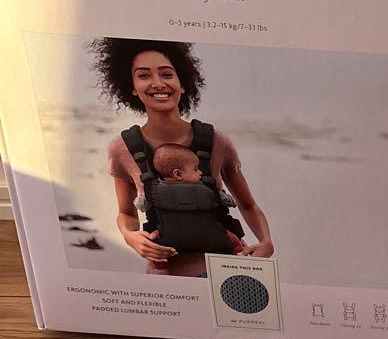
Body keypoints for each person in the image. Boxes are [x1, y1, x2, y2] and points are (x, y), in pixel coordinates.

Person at [92, 37, 274, 276]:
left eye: (167, 74)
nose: (158, 83)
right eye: (144, 75)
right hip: (167, 279)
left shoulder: (216, 141)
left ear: (183, 83)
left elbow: (247, 204)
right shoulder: (122, 148)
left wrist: (266, 241)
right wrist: (130, 236)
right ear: (132, 87)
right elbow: (126, 213)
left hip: (228, 275)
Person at [151, 143, 245, 256]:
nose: (200, 172)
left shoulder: (155, 191)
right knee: (234, 239)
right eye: (195, 169)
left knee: (154, 241)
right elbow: (226, 200)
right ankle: (240, 255)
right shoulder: (205, 189)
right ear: (178, 174)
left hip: (171, 234)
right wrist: (231, 201)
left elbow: (142, 204)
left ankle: (160, 265)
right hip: (208, 233)